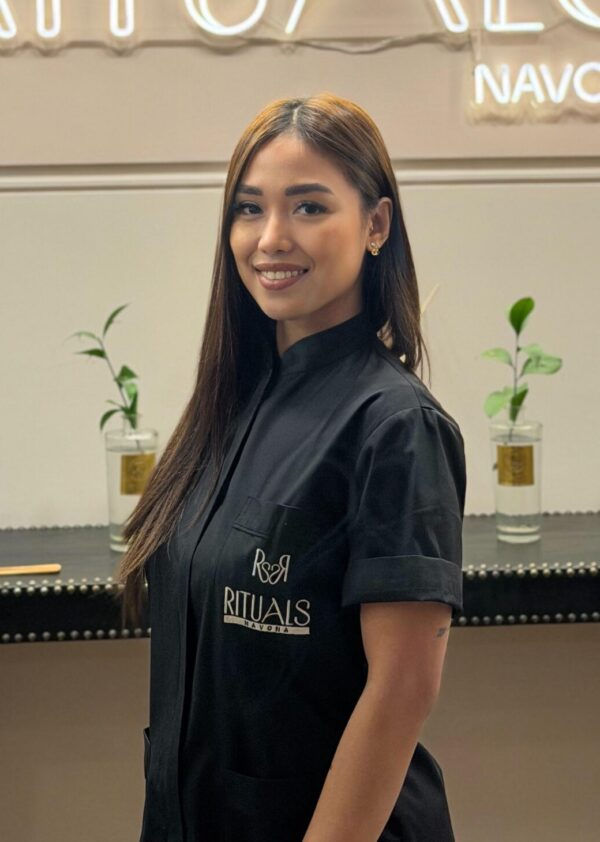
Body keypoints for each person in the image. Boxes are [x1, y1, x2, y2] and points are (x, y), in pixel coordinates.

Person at [117, 91, 467, 842]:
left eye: (308, 207)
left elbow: (402, 690)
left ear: (376, 224)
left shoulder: (396, 427)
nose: (272, 237)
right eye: (250, 209)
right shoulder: (231, 403)